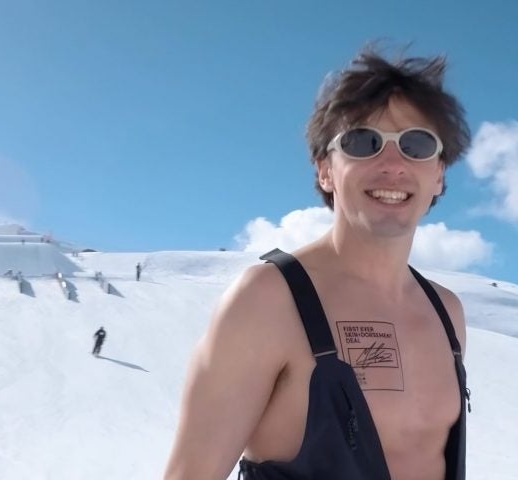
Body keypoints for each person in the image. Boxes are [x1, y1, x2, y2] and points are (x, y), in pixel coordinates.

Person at [164, 47, 471, 480]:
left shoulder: (446, 312)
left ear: (438, 174)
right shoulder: (268, 300)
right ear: (325, 169)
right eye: (362, 142)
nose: (392, 165)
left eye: (416, 144)